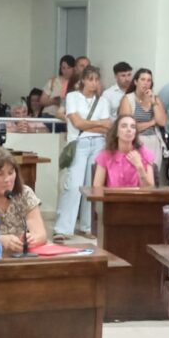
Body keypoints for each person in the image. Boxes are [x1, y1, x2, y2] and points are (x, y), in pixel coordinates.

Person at [54, 66, 112, 241]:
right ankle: (63, 228)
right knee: (73, 185)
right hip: (79, 143)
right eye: (90, 79)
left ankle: (88, 226)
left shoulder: (103, 101)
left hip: (98, 143)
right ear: (83, 81)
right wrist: (97, 123)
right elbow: (77, 123)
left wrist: (92, 125)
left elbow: (107, 126)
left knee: (91, 185)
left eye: (96, 80)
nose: (94, 83)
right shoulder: (73, 97)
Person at [118, 68, 168, 177]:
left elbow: (162, 122)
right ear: (136, 82)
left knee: (153, 175)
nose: (146, 83)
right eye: (143, 79)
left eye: (149, 80)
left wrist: (153, 102)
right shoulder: (128, 99)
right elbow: (127, 127)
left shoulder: (155, 99)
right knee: (136, 175)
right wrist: (151, 123)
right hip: (135, 141)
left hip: (154, 141)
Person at [93, 115, 156, 188]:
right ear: (116, 132)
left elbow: (150, 189)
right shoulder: (106, 155)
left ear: (135, 133)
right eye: (124, 126)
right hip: (113, 195)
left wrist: (139, 167)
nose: (129, 129)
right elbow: (97, 187)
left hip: (138, 195)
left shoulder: (144, 153)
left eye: (133, 127)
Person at [41, 55, 75, 126]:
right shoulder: (54, 81)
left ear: (74, 68)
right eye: (63, 68)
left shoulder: (77, 83)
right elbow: (42, 101)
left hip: (67, 118)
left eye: (69, 68)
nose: (66, 71)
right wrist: (54, 101)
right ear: (60, 68)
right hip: (49, 115)